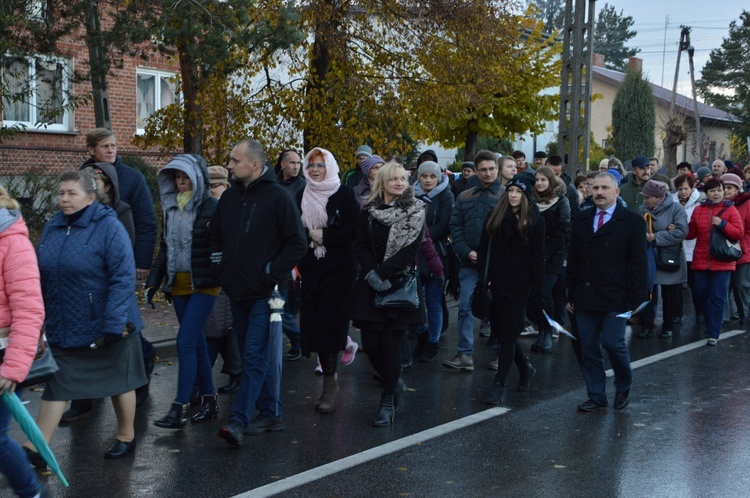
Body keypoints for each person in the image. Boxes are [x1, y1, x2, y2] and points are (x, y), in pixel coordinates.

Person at [30, 170, 146, 459]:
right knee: (58, 383)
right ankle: (37, 446)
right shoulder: (53, 227)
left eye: (72, 193)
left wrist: (113, 323)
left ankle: (125, 435)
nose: (64, 199)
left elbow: (123, 276)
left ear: (91, 197)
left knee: (120, 381)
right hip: (65, 322)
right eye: (61, 193)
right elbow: (41, 277)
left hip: (108, 324)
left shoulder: (109, 226)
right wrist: (38, 324)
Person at [212, 139, 307, 446]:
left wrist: (271, 272)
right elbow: (216, 238)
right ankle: (270, 412)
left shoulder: (278, 197)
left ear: (254, 165)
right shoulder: (229, 197)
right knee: (254, 356)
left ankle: (237, 420)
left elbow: (298, 243)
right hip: (236, 290)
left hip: (267, 294)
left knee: (252, 356)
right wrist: (221, 268)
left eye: (234, 160)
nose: (229, 165)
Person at [79, 128, 157, 413]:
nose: (111, 150)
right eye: (104, 146)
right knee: (87, 329)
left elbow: (146, 222)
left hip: (122, 264)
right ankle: (83, 397)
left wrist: (142, 262)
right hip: (85, 272)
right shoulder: (80, 178)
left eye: (113, 145)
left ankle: (144, 358)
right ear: (91, 150)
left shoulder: (132, 178)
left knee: (124, 324)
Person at [147, 155, 220, 429]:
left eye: (186, 177)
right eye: (176, 177)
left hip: (204, 284)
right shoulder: (170, 208)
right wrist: (154, 282)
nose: (180, 182)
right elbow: (165, 248)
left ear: (198, 178)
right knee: (198, 343)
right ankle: (210, 401)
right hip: (177, 284)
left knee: (185, 342)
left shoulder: (212, 207)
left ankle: (179, 407)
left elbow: (220, 246)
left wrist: (220, 270)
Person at [351, 162, 425, 426]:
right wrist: (372, 273)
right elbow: (360, 244)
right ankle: (395, 384)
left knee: (391, 347)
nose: (399, 183)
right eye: (393, 179)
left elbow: (410, 250)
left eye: (403, 179)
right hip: (370, 285)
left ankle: (387, 401)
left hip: (398, 285)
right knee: (371, 346)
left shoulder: (415, 210)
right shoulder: (369, 211)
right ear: (382, 181)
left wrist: (382, 273)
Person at [566, 172, 648, 411]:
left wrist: (637, 299)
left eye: (604, 188)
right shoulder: (582, 219)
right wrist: (570, 292)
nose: (599, 192)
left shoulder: (632, 221)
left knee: (613, 343)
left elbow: (639, 262)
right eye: (595, 188)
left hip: (617, 295)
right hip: (585, 294)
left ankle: (623, 386)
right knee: (588, 348)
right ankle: (596, 395)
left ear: (616, 192)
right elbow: (574, 259)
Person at [296, 147, 359, 413]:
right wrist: (309, 240)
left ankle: (330, 384)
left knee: (330, 324)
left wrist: (326, 237)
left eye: (320, 165)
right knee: (314, 324)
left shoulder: (343, 193)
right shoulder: (301, 194)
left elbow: (353, 230)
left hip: (340, 271)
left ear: (330, 167)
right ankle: (329, 376)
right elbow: (295, 230)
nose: (315, 170)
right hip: (312, 270)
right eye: (310, 165)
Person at [478, 175, 544, 405]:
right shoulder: (494, 215)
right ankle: (525, 369)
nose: (514, 195)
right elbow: (484, 249)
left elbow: (537, 257)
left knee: (508, 331)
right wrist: (482, 279)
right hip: (495, 282)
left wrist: (538, 290)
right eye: (511, 190)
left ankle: (499, 383)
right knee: (504, 330)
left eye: (519, 191)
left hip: (520, 284)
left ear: (526, 195)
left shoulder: (534, 219)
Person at [0, 186, 48, 497]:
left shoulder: (13, 243)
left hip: (4, 356)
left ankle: (33, 493)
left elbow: (29, 310)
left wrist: (12, 368)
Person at [445, 150, 505, 371]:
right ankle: (465, 354)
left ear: (497, 169)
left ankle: (499, 353)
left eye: (492, 169)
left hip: (498, 265)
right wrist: (466, 251)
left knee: (498, 308)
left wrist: (494, 256)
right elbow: (455, 228)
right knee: (465, 307)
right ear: (476, 171)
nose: (488, 173)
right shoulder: (464, 196)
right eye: (483, 169)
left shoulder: (507, 195)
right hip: (469, 262)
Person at [686, 178, 744, 345]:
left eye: (719, 190)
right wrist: (678, 228)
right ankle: (710, 323)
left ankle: (713, 333)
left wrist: (723, 224)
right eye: (713, 191)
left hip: (723, 262)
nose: (717, 193)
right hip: (701, 260)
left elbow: (738, 233)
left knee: (717, 297)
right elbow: (691, 234)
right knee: (700, 296)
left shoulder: (730, 210)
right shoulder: (698, 210)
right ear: (707, 193)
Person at [203, 166, 243, 394]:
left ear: (226, 186)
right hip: (212, 277)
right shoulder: (206, 209)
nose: (211, 190)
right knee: (217, 330)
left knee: (225, 330)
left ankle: (234, 374)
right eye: (208, 186)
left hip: (229, 279)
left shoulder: (231, 209)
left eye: (216, 186)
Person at [413, 160, 454, 362]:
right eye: (424, 176)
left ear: (438, 177)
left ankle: (433, 342)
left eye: (432, 176)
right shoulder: (411, 194)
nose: (428, 180)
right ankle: (421, 335)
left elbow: (446, 224)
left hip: (436, 254)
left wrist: (422, 235)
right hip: (413, 256)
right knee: (414, 302)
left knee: (434, 302)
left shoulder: (446, 195)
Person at [637, 180, 688, 339]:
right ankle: (646, 324)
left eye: (647, 197)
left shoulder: (676, 208)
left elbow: (681, 232)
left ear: (658, 197)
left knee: (670, 293)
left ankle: (668, 325)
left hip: (669, 256)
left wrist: (656, 237)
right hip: (649, 256)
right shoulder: (642, 209)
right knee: (648, 292)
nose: (644, 199)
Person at [530, 166, 570, 353]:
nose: (539, 183)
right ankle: (540, 330)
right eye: (537, 180)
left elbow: (562, 231)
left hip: (553, 255)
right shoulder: (530, 201)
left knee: (545, 293)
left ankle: (548, 331)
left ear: (551, 182)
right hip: (532, 254)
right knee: (535, 295)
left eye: (543, 180)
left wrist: (545, 253)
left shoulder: (561, 202)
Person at [673, 174, 704, 324]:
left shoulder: (699, 203)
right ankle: (677, 313)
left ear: (692, 188)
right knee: (676, 284)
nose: (683, 192)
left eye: (686, 188)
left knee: (695, 284)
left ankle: (700, 311)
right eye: (680, 189)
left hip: (693, 249)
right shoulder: (672, 202)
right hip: (676, 248)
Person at [720, 173, 750, 324]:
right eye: (723, 187)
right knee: (723, 286)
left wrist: (742, 244)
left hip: (742, 250)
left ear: (738, 189)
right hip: (721, 251)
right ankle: (723, 317)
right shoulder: (719, 204)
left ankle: (744, 314)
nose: (726, 191)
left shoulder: (747, 203)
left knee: (740, 286)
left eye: (730, 188)